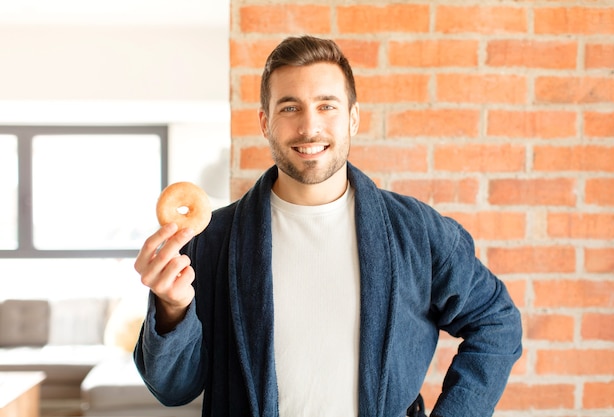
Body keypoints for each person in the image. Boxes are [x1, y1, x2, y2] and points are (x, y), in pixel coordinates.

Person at [133, 35, 522, 417]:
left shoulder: (417, 231)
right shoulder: (210, 242)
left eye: (326, 106)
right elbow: (173, 390)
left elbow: (497, 321)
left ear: (353, 117)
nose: (309, 126)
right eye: (289, 108)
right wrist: (172, 309)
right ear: (265, 122)